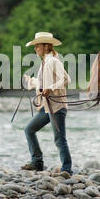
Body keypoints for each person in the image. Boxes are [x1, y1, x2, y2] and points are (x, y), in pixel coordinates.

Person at [21, 32, 73, 175]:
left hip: (57, 106)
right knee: (29, 130)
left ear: (45, 46)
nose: (35, 49)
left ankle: (67, 169)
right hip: (46, 107)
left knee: (59, 139)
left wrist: (51, 89)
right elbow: (43, 83)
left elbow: (67, 79)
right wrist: (31, 82)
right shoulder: (44, 63)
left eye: (37, 46)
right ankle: (37, 162)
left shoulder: (54, 61)